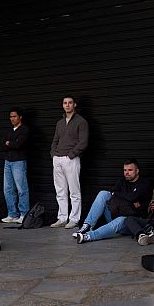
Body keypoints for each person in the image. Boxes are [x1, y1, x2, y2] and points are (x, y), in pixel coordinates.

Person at [72, 159, 152, 244]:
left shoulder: (144, 183)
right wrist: (129, 200)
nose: (127, 173)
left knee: (121, 219)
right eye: (125, 170)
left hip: (130, 222)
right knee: (103, 194)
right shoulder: (121, 182)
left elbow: (131, 197)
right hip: (115, 214)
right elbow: (118, 196)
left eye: (130, 170)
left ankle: (88, 236)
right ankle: (87, 225)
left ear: (137, 171)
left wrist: (120, 196)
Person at [50, 96, 89, 229]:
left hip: (71, 159)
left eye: (70, 103)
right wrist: (53, 155)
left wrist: (71, 155)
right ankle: (62, 218)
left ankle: (74, 219)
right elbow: (55, 140)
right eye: (65, 103)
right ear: (62, 105)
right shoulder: (60, 123)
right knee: (60, 191)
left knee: (74, 191)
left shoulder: (81, 121)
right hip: (58, 159)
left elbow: (83, 142)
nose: (67, 105)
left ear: (74, 105)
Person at [1, 108, 30, 223]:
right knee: (8, 189)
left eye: (14, 116)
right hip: (7, 162)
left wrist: (10, 143)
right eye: (11, 117)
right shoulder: (9, 131)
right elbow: (2, 144)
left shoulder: (24, 130)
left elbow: (19, 144)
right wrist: (11, 143)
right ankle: (12, 214)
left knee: (21, 189)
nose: (12, 119)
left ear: (20, 117)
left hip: (19, 162)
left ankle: (24, 214)